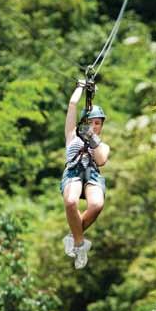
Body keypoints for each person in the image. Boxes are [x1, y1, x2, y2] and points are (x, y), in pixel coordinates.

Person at [60, 80, 110, 269]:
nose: (94, 126)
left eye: (97, 123)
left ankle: (74, 237)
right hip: (74, 171)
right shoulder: (72, 135)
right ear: (83, 123)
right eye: (90, 123)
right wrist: (80, 88)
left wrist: (92, 139)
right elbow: (72, 105)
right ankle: (80, 245)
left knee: (97, 204)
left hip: (92, 175)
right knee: (71, 201)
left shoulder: (103, 145)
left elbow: (101, 160)